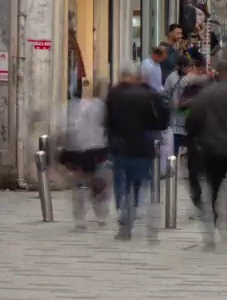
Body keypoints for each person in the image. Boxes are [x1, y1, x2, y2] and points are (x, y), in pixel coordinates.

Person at [185, 59, 227, 249]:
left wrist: (196, 139)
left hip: (212, 149)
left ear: (217, 72)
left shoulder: (206, 94)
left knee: (213, 190)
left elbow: (193, 121)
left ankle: (213, 226)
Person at [105, 65, 170, 242]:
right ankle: (147, 222)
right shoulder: (151, 96)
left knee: (124, 185)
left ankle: (125, 222)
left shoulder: (115, 95)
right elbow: (162, 122)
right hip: (143, 147)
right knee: (142, 185)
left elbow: (108, 121)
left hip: (120, 147)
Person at [62, 80, 109, 230]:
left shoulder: (73, 106)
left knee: (80, 184)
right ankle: (100, 214)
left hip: (79, 149)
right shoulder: (101, 106)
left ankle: (80, 218)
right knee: (97, 183)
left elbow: (69, 128)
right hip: (96, 148)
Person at [165, 52, 208, 213]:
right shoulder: (188, 81)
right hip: (184, 118)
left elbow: (166, 93)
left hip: (183, 118)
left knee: (180, 144)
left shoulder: (176, 78)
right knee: (180, 143)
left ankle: (176, 165)